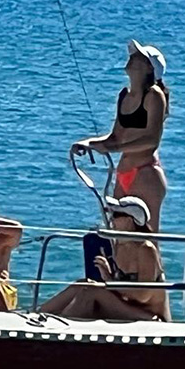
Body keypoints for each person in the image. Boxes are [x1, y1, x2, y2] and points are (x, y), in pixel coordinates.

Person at [72, 40, 170, 232]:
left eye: (139, 57)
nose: (132, 58)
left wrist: (113, 148)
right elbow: (115, 137)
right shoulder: (124, 95)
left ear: (149, 68)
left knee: (146, 236)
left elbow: (151, 140)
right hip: (123, 172)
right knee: (119, 234)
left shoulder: (154, 95)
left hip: (145, 172)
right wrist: (88, 144)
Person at [39, 195, 171, 322]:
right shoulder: (119, 246)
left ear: (130, 220)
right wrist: (109, 276)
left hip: (149, 315)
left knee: (92, 292)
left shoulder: (145, 249)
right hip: (128, 306)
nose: (111, 220)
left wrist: (110, 280)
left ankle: (60, 325)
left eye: (116, 215)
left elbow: (143, 296)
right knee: (83, 284)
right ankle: (37, 314)